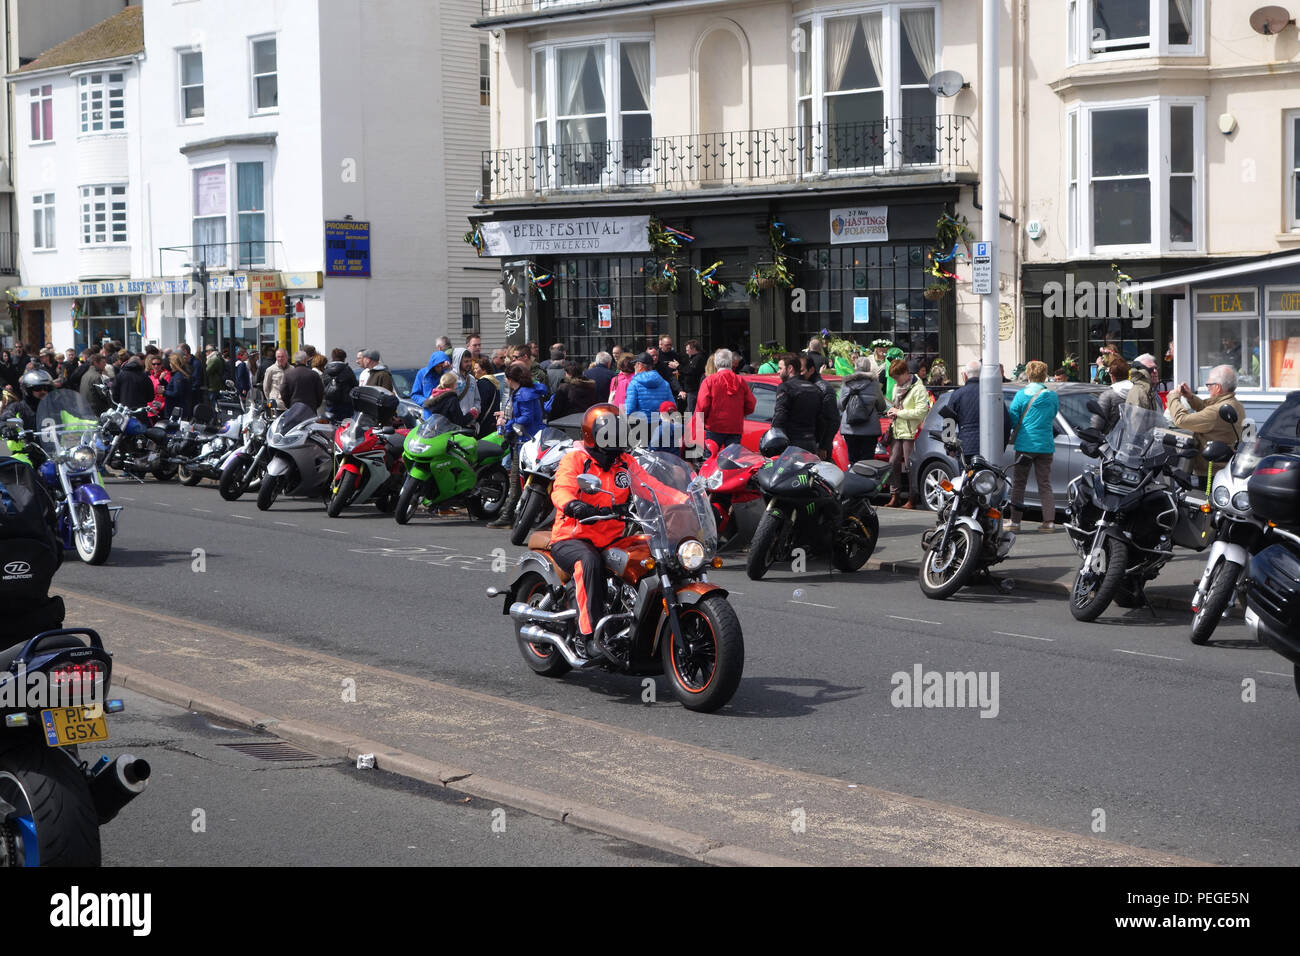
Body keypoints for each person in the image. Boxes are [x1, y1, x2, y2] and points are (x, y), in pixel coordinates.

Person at [547, 403, 637, 658]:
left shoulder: (626, 463)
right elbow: (562, 487)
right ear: (592, 435)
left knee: (646, 556)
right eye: (610, 433)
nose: (616, 439)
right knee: (589, 561)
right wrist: (573, 505)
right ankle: (589, 637)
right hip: (572, 537)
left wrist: (685, 498)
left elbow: (652, 485)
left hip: (613, 537)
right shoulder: (575, 459)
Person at [488, 362, 548, 528]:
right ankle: (524, 514)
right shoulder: (528, 391)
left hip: (524, 440)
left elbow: (526, 418)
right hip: (532, 439)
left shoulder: (522, 394)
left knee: (516, 480)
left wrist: (507, 423)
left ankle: (508, 516)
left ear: (509, 379)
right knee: (524, 480)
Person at [1006, 361, 1060, 532]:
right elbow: (1053, 414)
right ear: (1044, 376)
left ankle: (1015, 522)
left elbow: (1013, 418)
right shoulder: (1052, 396)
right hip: (1045, 444)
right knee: (1045, 483)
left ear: (1028, 375)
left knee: (1019, 482)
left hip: (1025, 444)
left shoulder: (1021, 395)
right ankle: (1049, 522)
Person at [1169, 365, 1246, 478]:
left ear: (1218, 387)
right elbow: (1208, 410)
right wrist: (1190, 397)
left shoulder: (1216, 411)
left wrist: (1173, 397)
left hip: (1210, 472)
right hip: (1224, 468)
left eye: (1209, 385)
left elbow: (1181, 420)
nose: (1208, 388)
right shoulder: (1236, 404)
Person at [884, 358, 929, 508]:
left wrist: (899, 412)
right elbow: (896, 407)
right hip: (898, 430)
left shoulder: (918, 388)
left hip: (911, 432)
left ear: (905, 373)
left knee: (910, 465)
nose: (895, 381)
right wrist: (892, 412)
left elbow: (921, 412)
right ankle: (894, 495)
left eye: (897, 377)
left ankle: (912, 498)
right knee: (892, 462)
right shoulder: (897, 388)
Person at [946, 360, 1012, 459]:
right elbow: (1005, 422)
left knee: (967, 474)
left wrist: (949, 448)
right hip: (990, 446)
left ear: (965, 375)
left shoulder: (957, 394)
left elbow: (948, 421)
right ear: (982, 374)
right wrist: (1002, 445)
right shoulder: (992, 393)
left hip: (966, 447)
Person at [696, 348, 756, 451]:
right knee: (732, 461)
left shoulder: (709, 381)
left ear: (716, 363)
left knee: (711, 459)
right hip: (735, 427)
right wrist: (739, 414)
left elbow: (702, 405)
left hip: (714, 426)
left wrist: (703, 421)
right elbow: (751, 404)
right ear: (731, 362)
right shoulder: (740, 380)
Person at [838, 355, 887, 465]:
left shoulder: (847, 383)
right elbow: (882, 406)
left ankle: (854, 480)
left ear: (855, 367)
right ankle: (865, 482)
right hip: (870, 430)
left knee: (853, 460)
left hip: (850, 429)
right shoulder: (874, 384)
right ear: (869, 368)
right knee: (868, 462)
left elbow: (840, 405)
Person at [771, 352, 823, 454]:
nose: (778, 371)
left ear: (790, 368)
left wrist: (774, 436)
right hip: (811, 442)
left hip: (792, 443)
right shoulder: (815, 388)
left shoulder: (786, 387)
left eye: (780, 368)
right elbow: (821, 419)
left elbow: (780, 415)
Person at [624, 351, 674, 440]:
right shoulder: (664, 383)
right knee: (660, 452)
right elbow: (671, 406)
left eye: (635, 364)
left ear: (640, 365)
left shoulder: (634, 384)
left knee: (641, 452)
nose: (634, 367)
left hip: (640, 426)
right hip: (660, 424)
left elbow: (629, 409)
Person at [803, 355, 840, 461]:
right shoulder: (803, 385)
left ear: (811, 370)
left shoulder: (823, 389)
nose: (798, 374)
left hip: (818, 444)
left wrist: (823, 446)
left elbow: (833, 420)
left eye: (801, 370)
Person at [1094, 357, 1131, 432]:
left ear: (1111, 376)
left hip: (1113, 439)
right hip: (1135, 437)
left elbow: (1097, 423)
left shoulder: (1108, 395)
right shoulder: (1136, 391)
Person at [321, 348, 358, 422]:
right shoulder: (347, 369)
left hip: (330, 402)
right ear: (344, 358)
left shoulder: (327, 370)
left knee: (331, 423)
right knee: (345, 425)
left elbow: (324, 383)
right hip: (345, 403)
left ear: (333, 357)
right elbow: (355, 384)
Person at [450, 347, 482, 424]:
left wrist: (476, 410)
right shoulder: (449, 378)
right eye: (466, 361)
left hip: (470, 423)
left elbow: (477, 399)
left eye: (470, 361)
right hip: (455, 425)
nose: (469, 364)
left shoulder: (472, 379)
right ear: (458, 362)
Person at [678, 340, 706, 412]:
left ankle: (695, 423)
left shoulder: (698, 358)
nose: (686, 352)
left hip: (694, 390)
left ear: (693, 349)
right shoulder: (693, 358)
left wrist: (678, 366)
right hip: (690, 390)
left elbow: (690, 371)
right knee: (689, 411)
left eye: (688, 350)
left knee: (692, 411)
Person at [163, 353, 192, 419]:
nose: (169, 365)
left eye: (170, 363)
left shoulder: (178, 376)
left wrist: (164, 392)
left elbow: (177, 393)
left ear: (173, 364)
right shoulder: (180, 374)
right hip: (178, 408)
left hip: (176, 410)